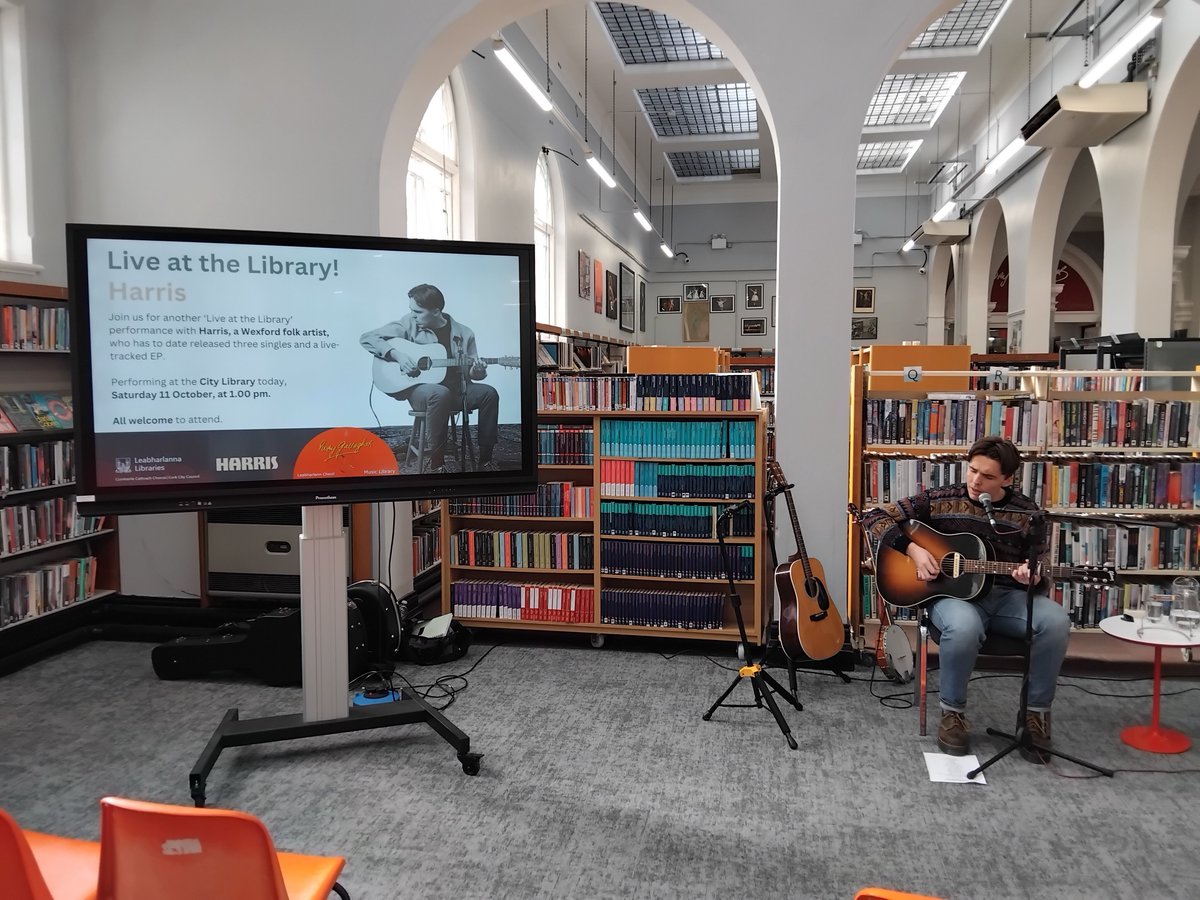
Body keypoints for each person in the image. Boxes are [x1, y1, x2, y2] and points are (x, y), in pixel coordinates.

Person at [862, 436, 1070, 763]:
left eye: (987, 476)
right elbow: (874, 517)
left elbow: (1040, 566)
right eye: (972, 470)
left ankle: (1035, 715)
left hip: (1005, 597)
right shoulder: (941, 498)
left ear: (1007, 479)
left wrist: (1035, 576)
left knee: (1056, 621)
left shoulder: (1027, 512)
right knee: (964, 625)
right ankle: (953, 714)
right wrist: (914, 550)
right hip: (951, 597)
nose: (975, 481)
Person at [360, 283, 499, 473]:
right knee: (439, 393)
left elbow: (471, 373)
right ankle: (437, 464)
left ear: (436, 311)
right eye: (411, 311)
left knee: (490, 394)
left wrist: (478, 371)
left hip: (458, 391)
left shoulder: (464, 333)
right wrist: (397, 355)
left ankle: (485, 460)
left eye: (418, 312)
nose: (413, 316)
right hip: (422, 392)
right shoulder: (408, 323)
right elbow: (367, 338)